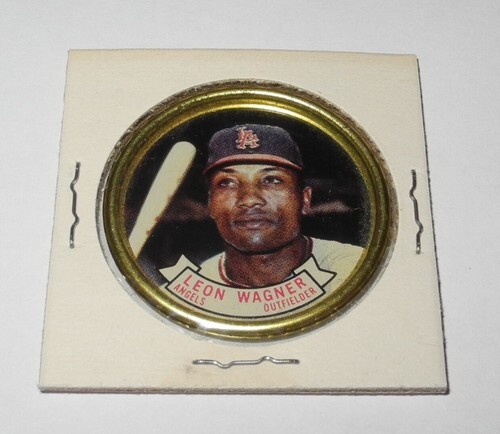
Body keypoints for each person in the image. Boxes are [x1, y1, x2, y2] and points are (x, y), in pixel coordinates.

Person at [200, 124, 363, 288]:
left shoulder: (353, 269)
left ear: (305, 199)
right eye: (227, 183)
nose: (250, 200)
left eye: (271, 180)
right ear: (210, 203)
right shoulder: (199, 283)